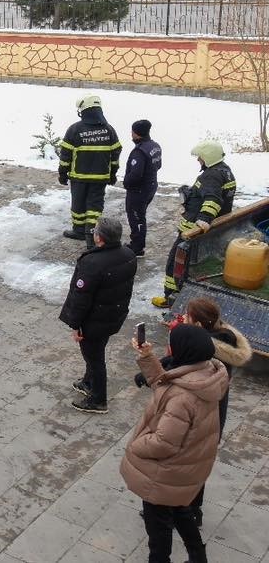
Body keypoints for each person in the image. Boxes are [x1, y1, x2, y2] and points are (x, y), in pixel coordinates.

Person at [121, 325, 227, 563]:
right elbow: (165, 386)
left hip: (165, 472)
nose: (170, 347)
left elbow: (163, 444)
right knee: (180, 510)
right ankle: (198, 557)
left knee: (158, 530)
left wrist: (136, 444)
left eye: (173, 343)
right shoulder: (205, 373)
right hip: (186, 467)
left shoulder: (183, 397)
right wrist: (147, 357)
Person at [58, 216, 137, 414]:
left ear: (99, 238)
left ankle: (98, 399)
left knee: (94, 358)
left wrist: (75, 324)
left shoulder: (92, 262)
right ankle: (88, 381)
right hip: (113, 316)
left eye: (94, 231)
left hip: (94, 321)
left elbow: (81, 298)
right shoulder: (128, 254)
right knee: (97, 350)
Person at [154, 140, 237, 309]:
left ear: (208, 157)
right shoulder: (225, 171)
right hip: (213, 228)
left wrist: (203, 219)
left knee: (175, 263)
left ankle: (171, 297)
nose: (199, 160)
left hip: (193, 230)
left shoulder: (211, 175)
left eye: (200, 157)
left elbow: (213, 199)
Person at [59, 95, 122, 247]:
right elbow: (115, 153)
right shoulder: (109, 130)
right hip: (100, 178)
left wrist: (62, 173)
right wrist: (113, 173)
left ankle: (80, 232)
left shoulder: (75, 129)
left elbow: (65, 154)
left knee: (78, 206)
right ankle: (91, 237)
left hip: (79, 178)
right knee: (94, 208)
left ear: (83, 111)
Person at [123, 119, 162, 258]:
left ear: (136, 133)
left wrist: (126, 183)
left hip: (138, 191)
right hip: (150, 186)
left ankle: (137, 247)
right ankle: (137, 244)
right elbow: (158, 165)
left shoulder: (139, 151)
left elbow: (135, 175)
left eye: (132, 132)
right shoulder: (155, 146)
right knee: (140, 215)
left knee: (137, 218)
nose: (131, 134)